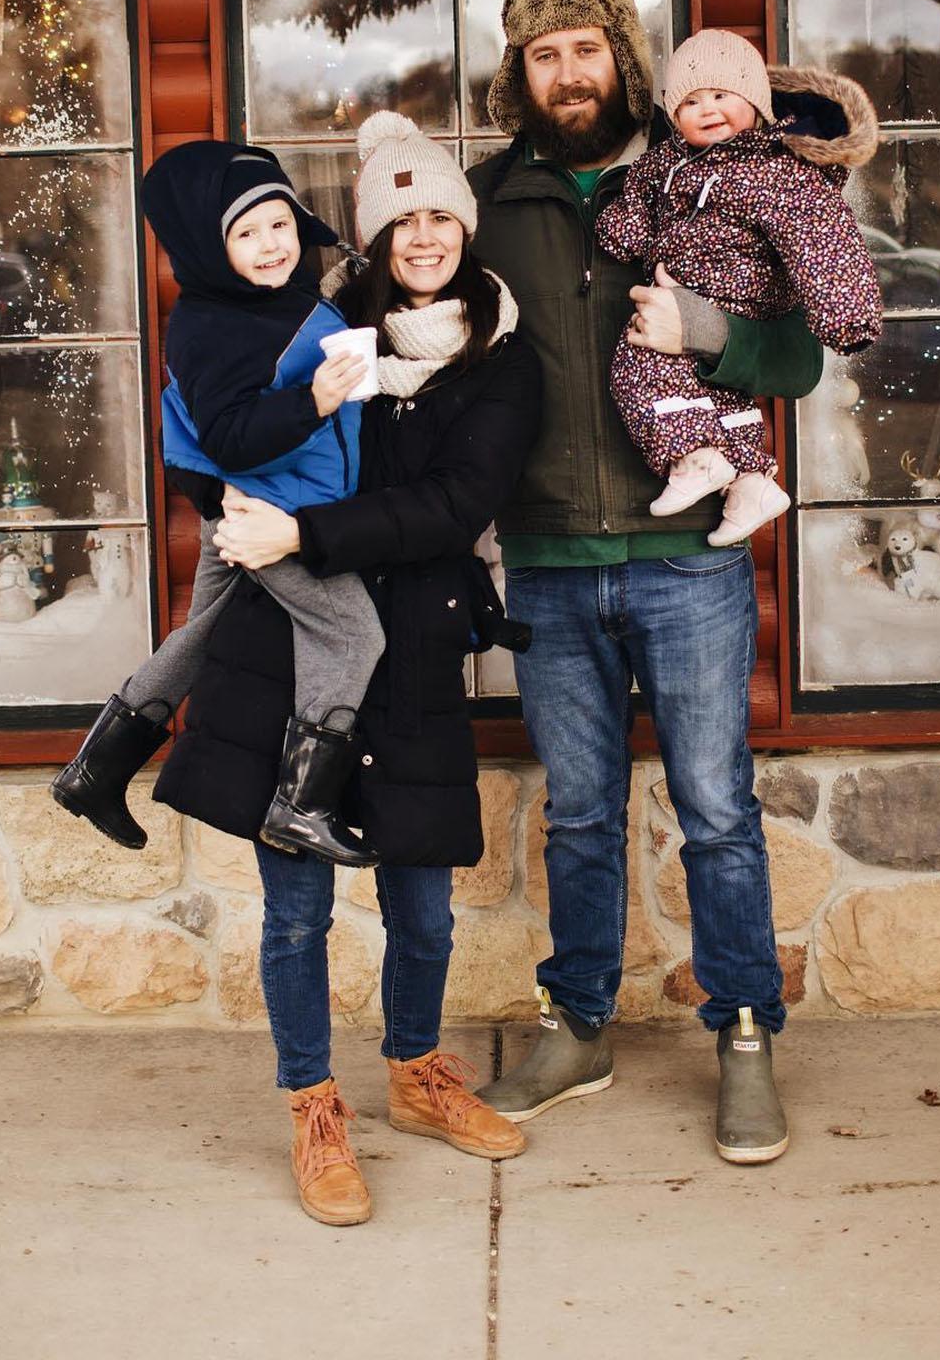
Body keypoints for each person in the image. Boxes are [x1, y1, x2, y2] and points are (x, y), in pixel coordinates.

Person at [466, 0, 877, 1165]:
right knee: (581, 813)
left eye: (585, 47)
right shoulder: (492, 200)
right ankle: (578, 1022)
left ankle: (744, 1031)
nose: (567, 70)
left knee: (715, 812)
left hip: (688, 555)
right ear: (520, 71)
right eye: (544, 53)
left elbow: (798, 362)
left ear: (621, 57)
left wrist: (705, 330)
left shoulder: (711, 170)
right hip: (545, 555)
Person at [154, 111, 543, 1226]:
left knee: (422, 903)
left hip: (413, 640)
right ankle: (312, 1104)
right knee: (296, 908)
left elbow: (453, 505)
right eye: (400, 218)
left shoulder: (500, 359)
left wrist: (304, 534)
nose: (422, 236)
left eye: (440, 215)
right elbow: (222, 436)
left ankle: (418, 1074)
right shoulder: (323, 327)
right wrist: (231, 508)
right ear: (371, 237)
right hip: (288, 645)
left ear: (464, 231)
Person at [50, 141, 385, 866]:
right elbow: (230, 436)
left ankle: (95, 770)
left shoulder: (270, 302)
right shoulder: (214, 323)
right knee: (355, 635)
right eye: (246, 233)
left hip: (251, 506)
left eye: (280, 224)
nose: (270, 245)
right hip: (268, 513)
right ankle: (301, 806)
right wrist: (315, 400)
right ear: (211, 245)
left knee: (201, 630)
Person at [596, 28, 882, 545]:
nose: (707, 109)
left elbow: (822, 237)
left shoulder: (779, 170)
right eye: (690, 100)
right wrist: (622, 230)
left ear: (755, 100)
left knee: (639, 364)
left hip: (739, 292)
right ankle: (752, 482)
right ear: (672, 112)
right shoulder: (668, 161)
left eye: (722, 96)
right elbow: (638, 197)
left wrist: (846, 312)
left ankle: (693, 458)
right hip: (690, 286)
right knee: (719, 395)